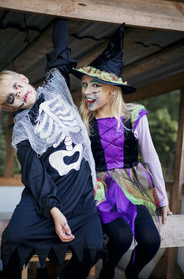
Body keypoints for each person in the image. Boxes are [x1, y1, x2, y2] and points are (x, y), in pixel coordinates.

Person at [0, 13, 106, 279]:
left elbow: (61, 49)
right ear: (10, 107)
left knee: (94, 246)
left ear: (23, 77)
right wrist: (53, 210)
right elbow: (33, 172)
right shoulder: (21, 128)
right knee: (15, 237)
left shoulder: (55, 85)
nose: (18, 93)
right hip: (47, 195)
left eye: (17, 86)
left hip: (79, 191)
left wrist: (60, 10)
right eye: (11, 98)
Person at [71, 23, 172, 279]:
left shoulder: (135, 115)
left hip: (133, 187)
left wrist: (163, 198)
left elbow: (151, 158)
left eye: (95, 86)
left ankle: (132, 273)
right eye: (84, 85)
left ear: (112, 89)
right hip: (101, 189)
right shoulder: (83, 122)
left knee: (150, 241)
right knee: (121, 237)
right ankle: (107, 270)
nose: (87, 92)